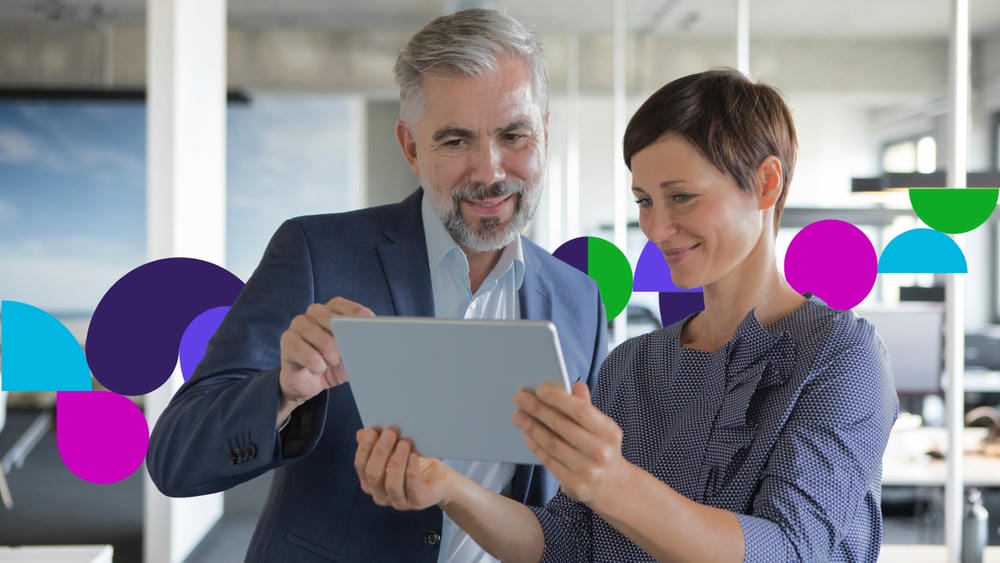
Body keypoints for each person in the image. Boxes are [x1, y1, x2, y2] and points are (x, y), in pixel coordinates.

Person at [353, 69, 899, 562]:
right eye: (644, 201)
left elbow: (790, 550)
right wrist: (448, 486)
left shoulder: (839, 357)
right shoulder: (634, 363)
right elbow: (564, 542)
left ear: (766, 183)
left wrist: (611, 482)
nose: (657, 229)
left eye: (681, 197)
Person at [145, 9, 608, 563]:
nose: (490, 171)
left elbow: (576, 512)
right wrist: (284, 392)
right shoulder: (317, 254)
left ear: (545, 133)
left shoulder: (581, 300)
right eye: (456, 141)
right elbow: (175, 457)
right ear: (411, 147)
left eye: (514, 135)